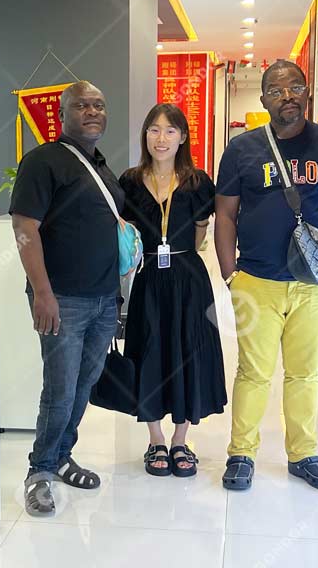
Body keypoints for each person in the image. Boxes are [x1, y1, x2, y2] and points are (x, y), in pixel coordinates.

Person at [214, 60, 318, 491]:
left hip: (311, 284)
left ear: (307, 94)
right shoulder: (241, 150)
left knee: (304, 371)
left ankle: (303, 454)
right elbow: (224, 215)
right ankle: (241, 454)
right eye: (277, 91)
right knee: (253, 372)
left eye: (295, 87)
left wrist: (315, 238)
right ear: (263, 100)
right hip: (256, 280)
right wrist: (230, 276)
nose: (288, 97)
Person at [10, 81, 123, 517]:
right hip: (62, 300)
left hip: (102, 299)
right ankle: (39, 471)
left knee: (83, 384)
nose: (92, 111)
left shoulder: (100, 164)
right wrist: (42, 292)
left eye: (98, 104)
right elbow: (24, 228)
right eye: (82, 105)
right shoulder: (43, 161)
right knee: (59, 389)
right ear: (63, 113)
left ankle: (61, 456)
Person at [120, 103, 226, 478]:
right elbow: (125, 236)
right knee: (149, 350)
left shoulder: (198, 183)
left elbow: (200, 235)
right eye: (153, 130)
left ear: (183, 137)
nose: (160, 138)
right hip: (148, 278)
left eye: (169, 131)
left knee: (188, 351)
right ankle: (155, 440)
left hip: (188, 279)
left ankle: (181, 440)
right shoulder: (130, 181)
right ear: (144, 135)